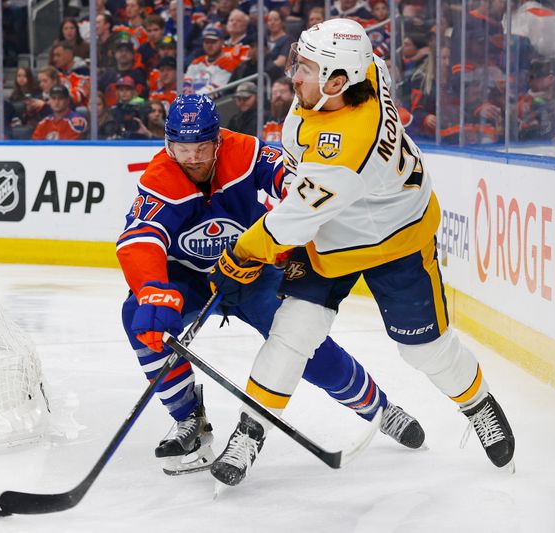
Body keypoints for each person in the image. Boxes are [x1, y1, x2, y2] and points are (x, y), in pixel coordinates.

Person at [207, 19, 516, 488]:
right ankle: (252, 430)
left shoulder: (347, 147)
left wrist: (243, 253)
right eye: (298, 62)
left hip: (395, 239)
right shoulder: (362, 71)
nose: (293, 76)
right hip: (331, 229)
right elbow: (307, 205)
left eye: (305, 69)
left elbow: (294, 219)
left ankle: (477, 404)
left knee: (424, 349)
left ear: (336, 81)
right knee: (292, 333)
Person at [117, 93, 425, 477]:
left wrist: (294, 203)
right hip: (191, 278)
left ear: (218, 140)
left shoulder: (244, 152)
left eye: (200, 147)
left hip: (250, 269)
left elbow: (291, 178)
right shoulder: (159, 178)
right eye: (181, 148)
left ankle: (380, 409)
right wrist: (151, 288)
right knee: (138, 317)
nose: (192, 158)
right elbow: (140, 239)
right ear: (168, 144)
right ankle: (188, 419)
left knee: (302, 344)